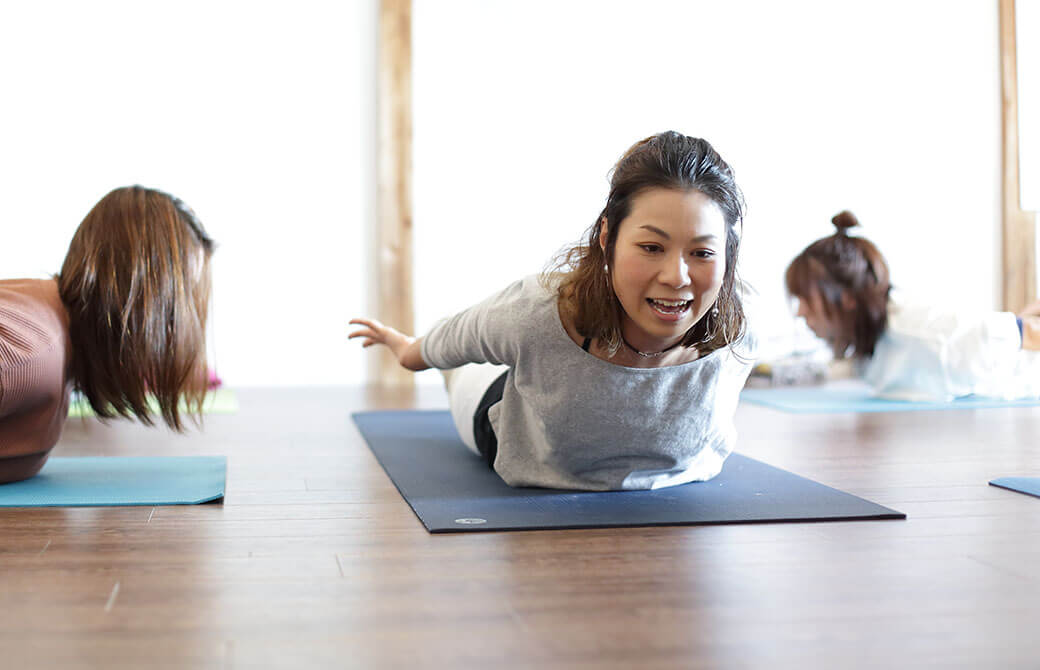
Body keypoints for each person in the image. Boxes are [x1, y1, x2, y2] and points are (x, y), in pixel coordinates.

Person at [350, 131, 756, 491]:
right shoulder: (539, 311)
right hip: (516, 430)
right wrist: (409, 352)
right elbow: (461, 335)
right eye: (652, 248)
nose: (677, 276)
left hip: (670, 474)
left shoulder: (739, 328)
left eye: (702, 252)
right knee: (466, 367)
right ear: (607, 237)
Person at [0, 186, 215, 483]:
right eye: (180, 305)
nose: (175, 330)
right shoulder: (30, 352)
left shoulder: (54, 349)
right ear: (142, 300)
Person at [785, 210, 1040, 401]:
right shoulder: (870, 340)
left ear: (848, 299)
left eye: (805, 300)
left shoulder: (927, 332)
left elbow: (1019, 333)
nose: (799, 312)